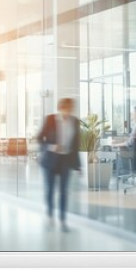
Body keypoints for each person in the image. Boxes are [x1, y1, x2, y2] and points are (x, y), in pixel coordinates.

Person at [37, 98, 81, 232]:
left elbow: (76, 145)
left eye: (70, 109)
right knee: (50, 189)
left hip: (66, 160)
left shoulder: (75, 122)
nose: (67, 112)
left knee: (64, 191)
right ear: (60, 108)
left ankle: (62, 220)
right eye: (65, 108)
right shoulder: (50, 119)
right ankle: (50, 215)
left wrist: (78, 165)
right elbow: (40, 138)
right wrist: (51, 146)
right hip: (50, 159)